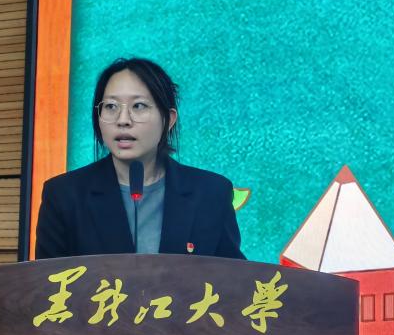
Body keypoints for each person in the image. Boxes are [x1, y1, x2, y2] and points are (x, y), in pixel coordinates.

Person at [35, 57, 244, 260]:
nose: (123, 120)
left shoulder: (212, 193)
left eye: (139, 106)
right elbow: (46, 281)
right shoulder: (64, 195)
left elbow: (233, 278)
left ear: (168, 119)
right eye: (111, 106)